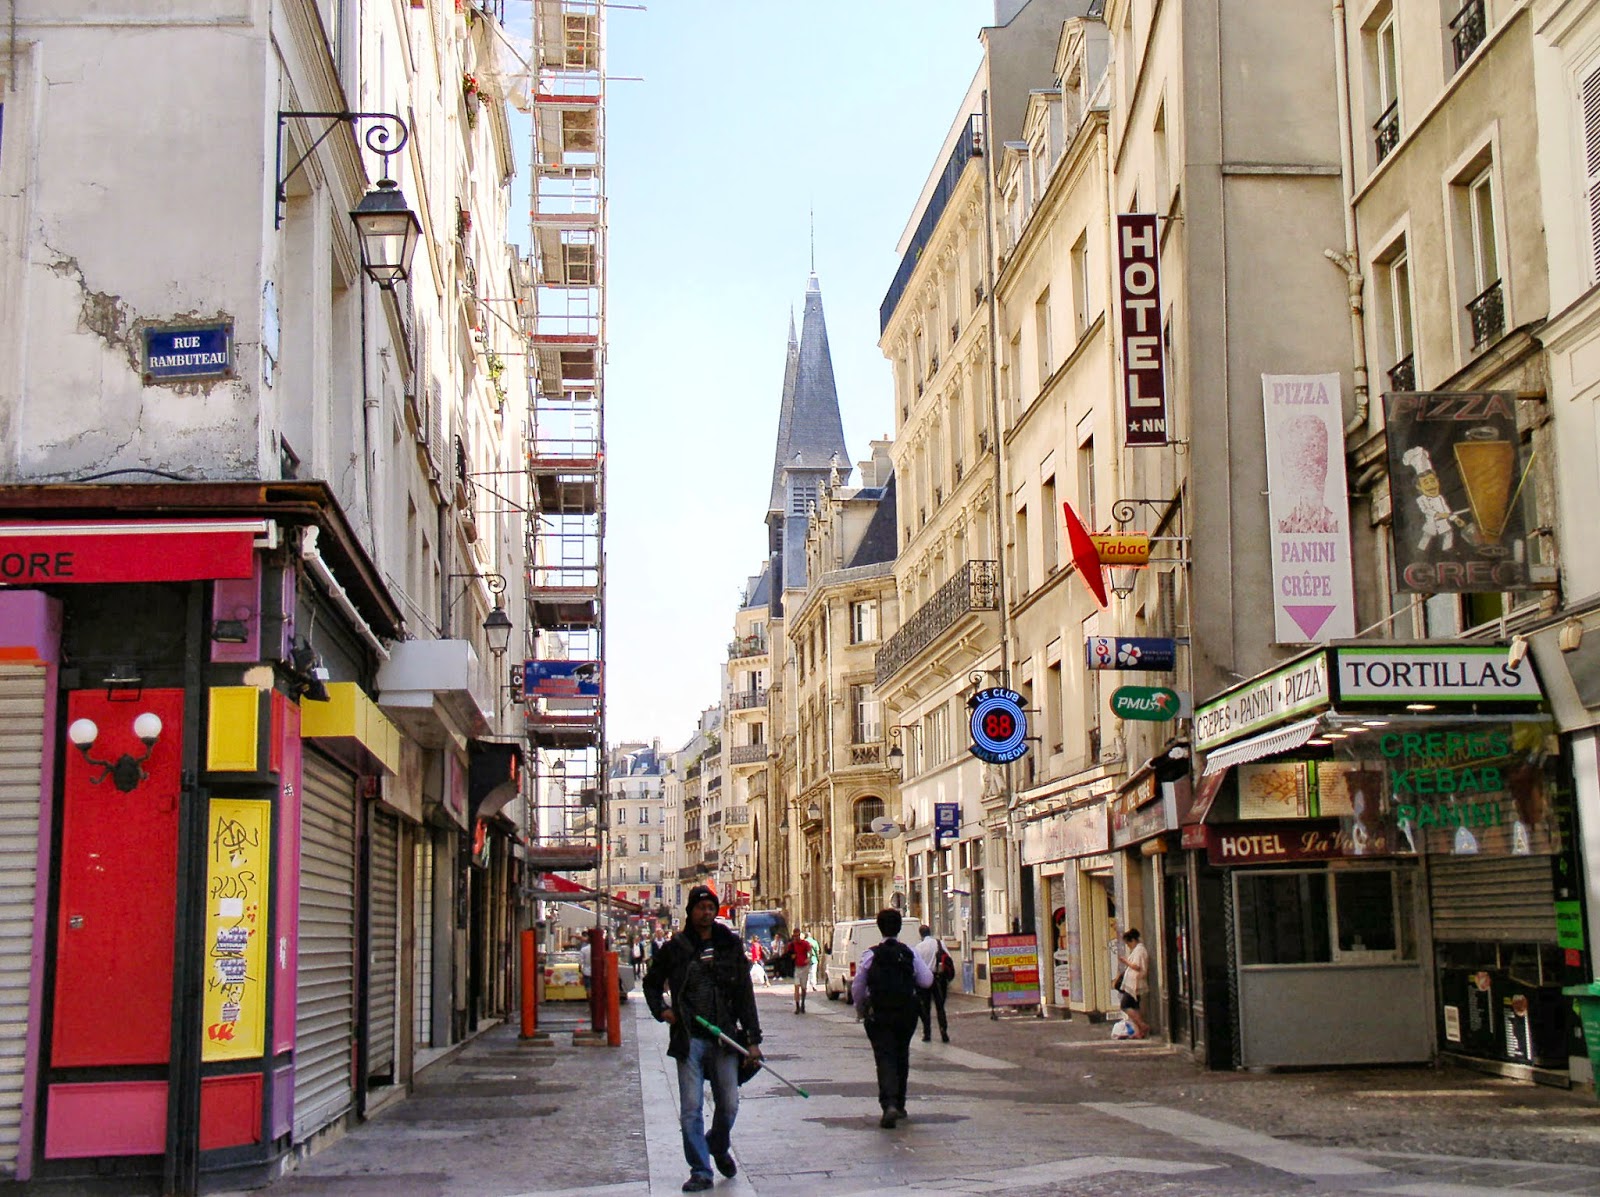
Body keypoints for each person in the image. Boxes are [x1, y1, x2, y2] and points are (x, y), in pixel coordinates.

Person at [644, 886, 763, 1194]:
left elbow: (744, 995)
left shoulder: (729, 944)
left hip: (724, 1037)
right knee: (691, 1108)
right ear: (691, 912)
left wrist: (752, 1039)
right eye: (701, 907)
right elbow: (652, 983)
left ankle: (717, 1144)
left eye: (711, 907)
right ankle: (700, 1169)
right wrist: (662, 1010)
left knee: (729, 1104)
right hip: (690, 1038)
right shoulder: (676, 947)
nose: (706, 912)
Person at [851, 908, 932, 1129]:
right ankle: (901, 1103)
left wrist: (860, 1008)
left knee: (884, 1057)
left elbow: (858, 985)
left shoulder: (870, 955)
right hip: (906, 1013)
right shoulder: (909, 953)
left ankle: (888, 1104)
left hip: (879, 1013)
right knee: (901, 1055)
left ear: (879, 928)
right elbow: (926, 980)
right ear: (899, 928)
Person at [912, 924, 950, 1043]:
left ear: (921, 934)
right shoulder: (939, 943)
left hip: (924, 980)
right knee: (940, 1007)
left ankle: (927, 1033)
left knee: (925, 1007)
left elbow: (916, 966)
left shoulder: (918, 947)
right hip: (938, 978)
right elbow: (948, 957)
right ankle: (943, 1031)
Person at [1118, 928, 1150, 1040]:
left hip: (1134, 984)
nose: (1128, 946)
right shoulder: (1138, 950)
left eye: (1128, 943)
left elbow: (1137, 966)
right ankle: (1139, 1032)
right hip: (1133, 983)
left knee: (1125, 1005)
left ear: (1132, 940)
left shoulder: (1139, 950)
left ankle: (1142, 1025)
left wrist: (1125, 961)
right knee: (1135, 1007)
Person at [789, 927, 812, 1014]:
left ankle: (803, 1004)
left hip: (804, 967)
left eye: (798, 936)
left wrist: (808, 959)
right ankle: (797, 1006)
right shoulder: (792, 945)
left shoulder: (805, 943)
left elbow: (810, 952)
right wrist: (791, 957)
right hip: (797, 967)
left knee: (803, 988)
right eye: (795, 936)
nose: (796, 938)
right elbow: (788, 955)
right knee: (796, 986)